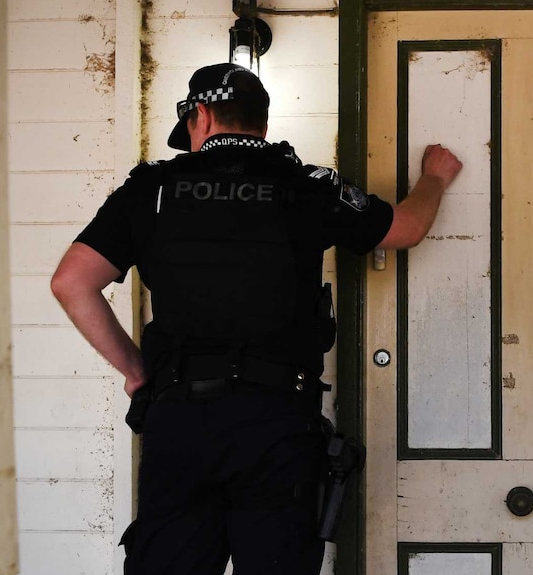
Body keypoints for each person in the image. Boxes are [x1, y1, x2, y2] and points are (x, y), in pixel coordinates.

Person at [50, 62, 462, 575]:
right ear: (263, 125)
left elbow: (71, 282)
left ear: (200, 116)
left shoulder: (151, 190)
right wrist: (434, 178)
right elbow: (406, 227)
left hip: (180, 420)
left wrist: (137, 372)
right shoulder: (307, 186)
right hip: (277, 423)